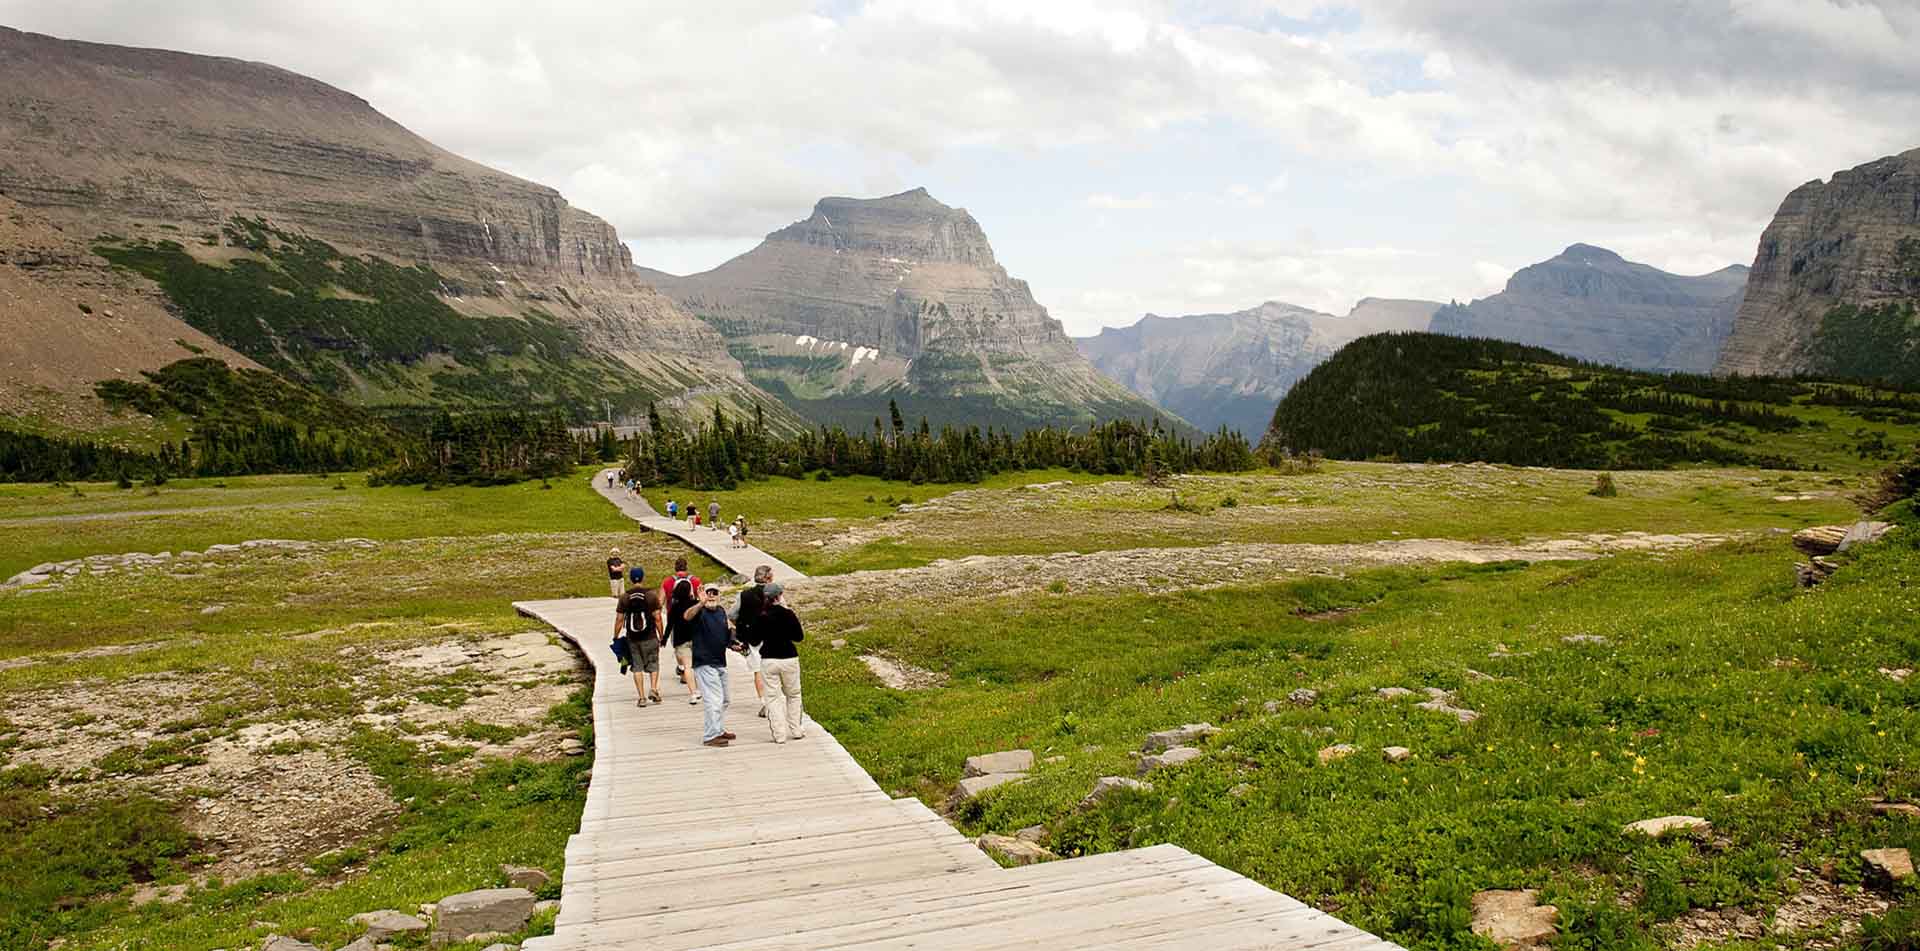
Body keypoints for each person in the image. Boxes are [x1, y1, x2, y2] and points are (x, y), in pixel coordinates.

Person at [684, 582, 738, 747]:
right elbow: (686, 616)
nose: (712, 595)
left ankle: (718, 729)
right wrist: (700, 603)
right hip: (704, 661)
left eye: (715, 593)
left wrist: (733, 643)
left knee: (725, 699)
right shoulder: (699, 611)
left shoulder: (721, 611)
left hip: (720, 661)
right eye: (709, 592)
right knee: (714, 699)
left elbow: (725, 632)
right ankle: (710, 736)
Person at [755, 583, 806, 742]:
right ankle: (796, 729)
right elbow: (799, 637)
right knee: (793, 694)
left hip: (769, 659)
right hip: (789, 657)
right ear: (779, 596)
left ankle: (779, 734)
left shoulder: (761, 616)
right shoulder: (788, 614)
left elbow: (755, 639)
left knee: (772, 697)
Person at [613, 566, 664, 706]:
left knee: (637, 667)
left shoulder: (625, 597)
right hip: (650, 636)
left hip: (633, 639)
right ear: (643, 577)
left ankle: (641, 698)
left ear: (630, 579)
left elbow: (619, 619)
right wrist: (662, 635)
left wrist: (615, 636)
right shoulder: (651, 595)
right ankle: (653, 689)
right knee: (653, 663)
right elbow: (658, 617)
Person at [661, 556, 703, 703]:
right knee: (697, 663)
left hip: (679, 635)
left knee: (686, 664)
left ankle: (688, 681)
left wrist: (663, 638)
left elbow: (661, 602)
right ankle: (700, 685)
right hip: (696, 635)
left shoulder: (667, 583)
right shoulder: (696, 582)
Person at [733, 565, 773, 717]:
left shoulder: (744, 595)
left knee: (758, 671)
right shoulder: (774, 593)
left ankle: (764, 703)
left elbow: (732, 614)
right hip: (771, 637)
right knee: (772, 670)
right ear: (768, 578)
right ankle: (774, 701)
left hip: (751, 638)